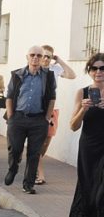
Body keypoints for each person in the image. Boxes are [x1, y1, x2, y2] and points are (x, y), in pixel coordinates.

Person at [4, 46, 56, 194]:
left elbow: (52, 98)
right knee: (15, 149)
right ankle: (13, 169)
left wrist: (46, 118)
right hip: (18, 118)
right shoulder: (17, 75)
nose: (36, 58)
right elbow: (9, 96)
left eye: (39, 55)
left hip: (38, 120)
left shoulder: (48, 76)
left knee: (34, 153)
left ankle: (28, 184)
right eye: (32, 55)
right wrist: (11, 116)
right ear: (27, 57)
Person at [68, 53, 104, 217]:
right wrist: (83, 110)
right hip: (89, 148)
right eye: (94, 68)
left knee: (103, 191)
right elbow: (73, 126)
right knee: (90, 189)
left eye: (102, 68)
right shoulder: (82, 93)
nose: (98, 72)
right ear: (89, 71)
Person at [35, 44, 77, 184]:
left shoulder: (55, 69)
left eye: (49, 56)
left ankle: (34, 164)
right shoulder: (35, 69)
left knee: (47, 141)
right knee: (38, 141)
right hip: (38, 110)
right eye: (43, 55)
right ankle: (40, 174)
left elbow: (72, 75)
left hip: (53, 109)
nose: (45, 59)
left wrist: (59, 60)